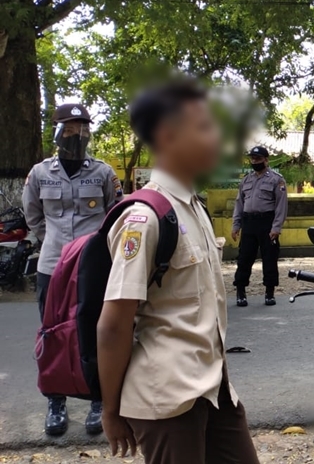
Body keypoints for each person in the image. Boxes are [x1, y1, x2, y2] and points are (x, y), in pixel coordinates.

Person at [96, 80, 259, 464]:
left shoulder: (193, 208)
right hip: (167, 398)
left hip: (214, 388)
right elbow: (113, 324)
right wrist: (110, 409)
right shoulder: (145, 217)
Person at [23, 103, 122, 437]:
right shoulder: (39, 174)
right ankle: (55, 401)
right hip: (52, 266)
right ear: (56, 132)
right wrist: (52, 242)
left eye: (82, 129)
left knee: (95, 331)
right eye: (69, 128)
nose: (76, 135)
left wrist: (95, 251)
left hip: (92, 268)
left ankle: (98, 399)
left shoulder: (104, 173)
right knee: (52, 334)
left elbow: (115, 216)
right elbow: (33, 216)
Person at [231, 146, 287, 307]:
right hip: (249, 223)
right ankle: (240, 292)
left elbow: (281, 206)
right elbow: (239, 204)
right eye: (252, 159)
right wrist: (236, 225)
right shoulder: (246, 180)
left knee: (269, 258)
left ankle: (269, 293)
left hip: (267, 222)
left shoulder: (277, 180)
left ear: (266, 160)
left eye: (258, 159)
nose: (254, 161)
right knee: (244, 258)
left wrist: (276, 228)